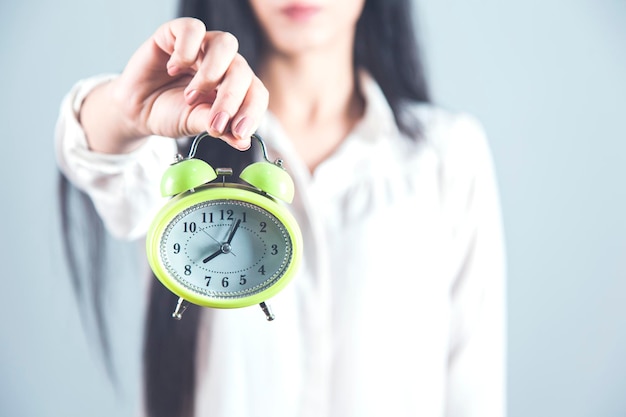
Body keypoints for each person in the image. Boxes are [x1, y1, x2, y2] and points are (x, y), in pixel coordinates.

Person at [55, 0, 507, 416]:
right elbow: (97, 158)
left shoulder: (447, 156)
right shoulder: (175, 143)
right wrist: (128, 109)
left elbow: (473, 390)